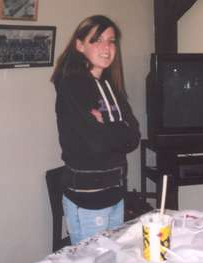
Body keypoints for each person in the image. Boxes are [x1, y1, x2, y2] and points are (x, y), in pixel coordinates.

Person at [51, 15, 141, 244]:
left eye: (111, 41)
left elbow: (134, 138)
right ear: (80, 45)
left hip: (115, 193)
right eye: (97, 40)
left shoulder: (111, 84)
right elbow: (96, 142)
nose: (106, 48)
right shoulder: (72, 85)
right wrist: (118, 128)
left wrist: (107, 125)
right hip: (88, 198)